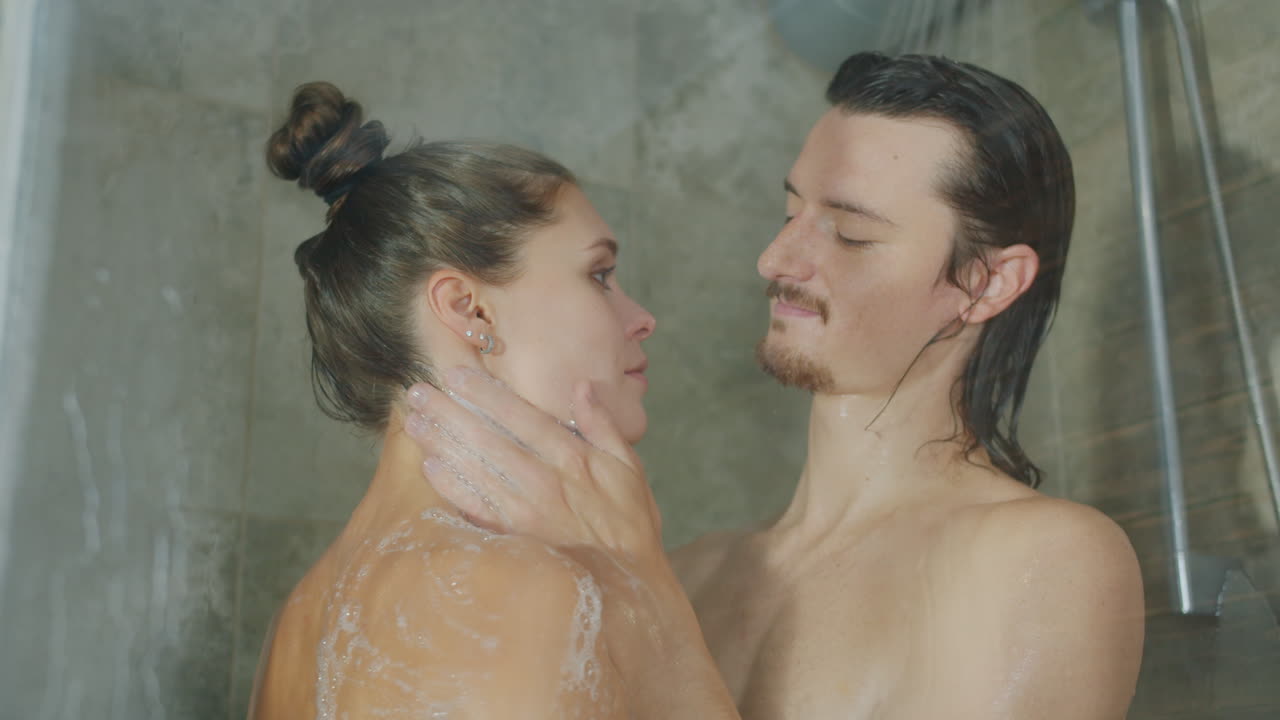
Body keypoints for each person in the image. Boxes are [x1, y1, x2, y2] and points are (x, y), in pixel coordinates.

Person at [405, 52, 1147, 719]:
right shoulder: (693, 571)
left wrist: (640, 597)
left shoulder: (1046, 563)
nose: (774, 259)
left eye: (851, 234)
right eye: (792, 213)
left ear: (986, 283)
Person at [246, 81, 730, 719]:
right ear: (468, 309)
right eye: (599, 275)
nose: (642, 319)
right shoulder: (524, 591)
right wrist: (647, 593)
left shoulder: (298, 617)